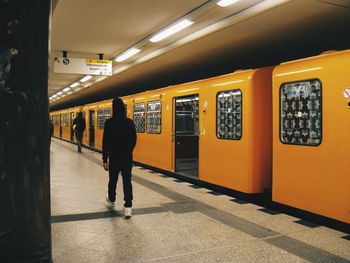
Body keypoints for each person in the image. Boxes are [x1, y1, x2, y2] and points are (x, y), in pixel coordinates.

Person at [102, 98, 136, 219]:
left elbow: (105, 142)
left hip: (114, 157)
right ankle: (128, 207)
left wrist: (105, 159)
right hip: (127, 157)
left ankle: (111, 200)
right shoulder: (130, 122)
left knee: (113, 180)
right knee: (127, 181)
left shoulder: (109, 123)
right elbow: (134, 139)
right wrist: (128, 151)